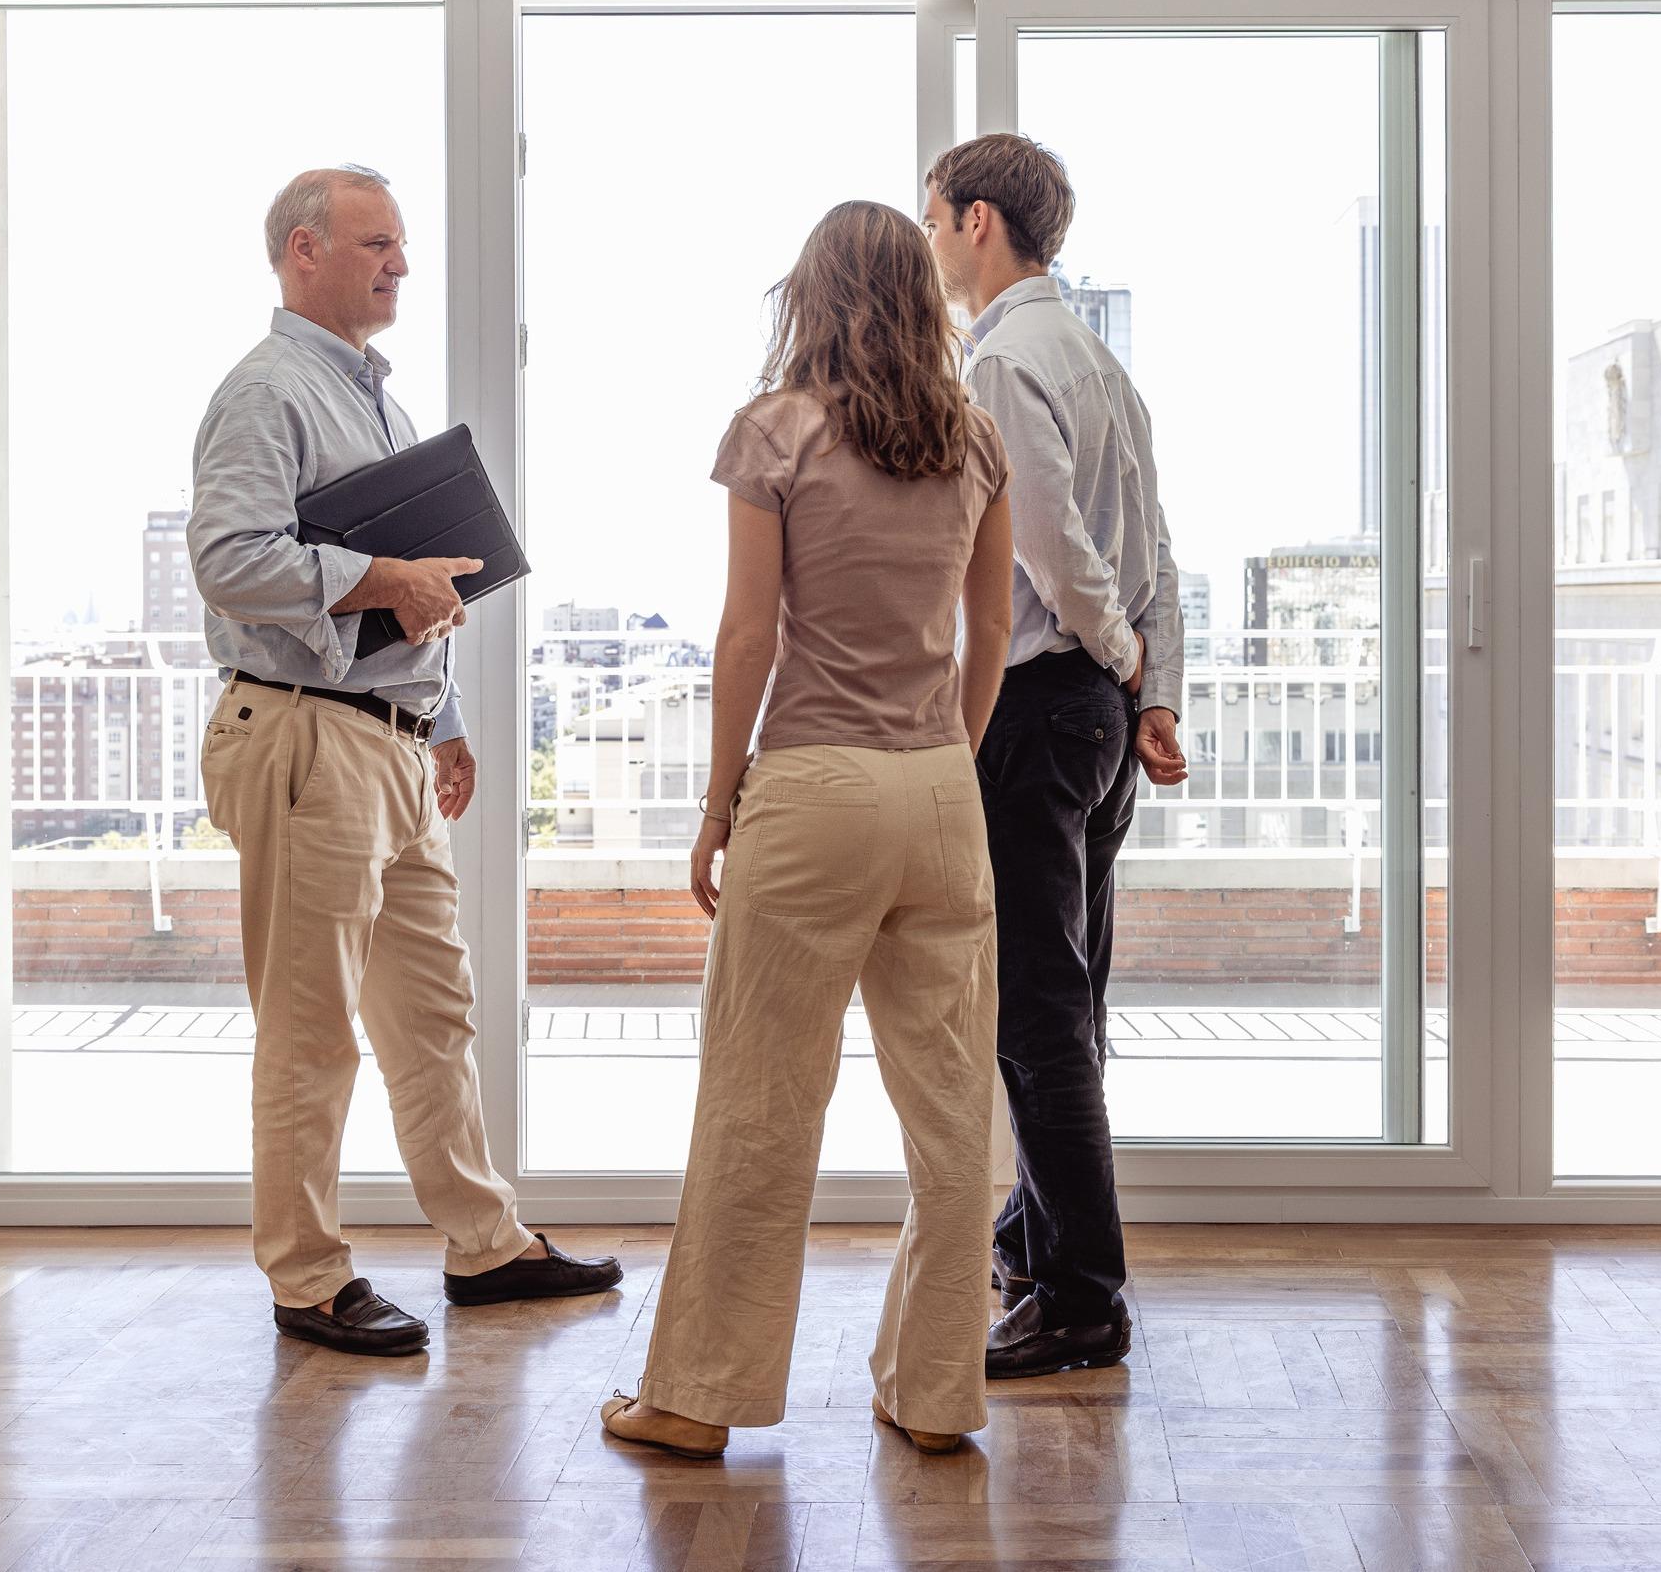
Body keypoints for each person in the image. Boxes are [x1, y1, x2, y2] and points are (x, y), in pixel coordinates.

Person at [597, 201, 1017, 1460]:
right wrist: (948, 756)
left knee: (761, 1098)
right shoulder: (974, 438)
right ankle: (934, 1393)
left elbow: (748, 635)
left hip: (814, 790)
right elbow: (992, 629)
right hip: (939, 790)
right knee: (953, 1112)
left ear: (812, 294)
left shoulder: (775, 429)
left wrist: (717, 801)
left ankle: (697, 1397)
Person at [192, 165, 620, 1356]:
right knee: (312, 1026)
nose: (401, 264)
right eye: (376, 243)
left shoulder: (373, 403)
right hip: (306, 738)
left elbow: (413, 592)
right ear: (303, 250)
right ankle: (307, 1277)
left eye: (401, 245)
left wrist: (445, 719)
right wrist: (386, 578)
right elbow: (230, 560)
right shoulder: (266, 392)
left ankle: (484, 1244)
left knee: (433, 1010)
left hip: (387, 743)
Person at [922, 134, 1190, 1379]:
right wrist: (1150, 689)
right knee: (1068, 1001)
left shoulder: (1002, 358)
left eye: (934, 219)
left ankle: (1082, 1297)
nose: (931, 243)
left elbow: (1044, 542)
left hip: (1040, 706)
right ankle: (1038, 1237)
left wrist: (1116, 653)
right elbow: (1161, 555)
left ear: (978, 221)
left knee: (1033, 1006)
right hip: (1097, 715)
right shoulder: (1099, 361)